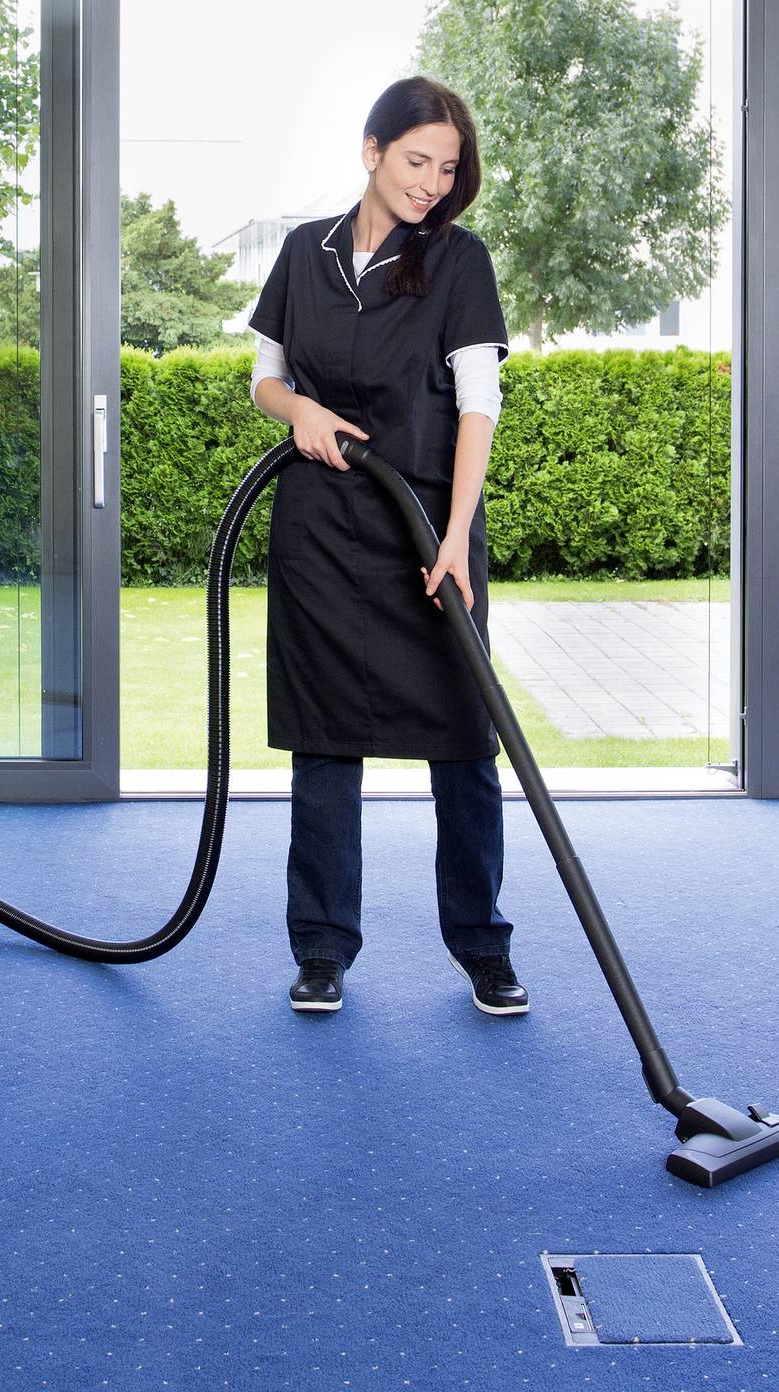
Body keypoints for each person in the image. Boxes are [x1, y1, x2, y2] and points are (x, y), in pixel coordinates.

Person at [244, 75, 524, 1019]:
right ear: (371, 151)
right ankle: (322, 948)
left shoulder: (458, 261)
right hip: (321, 531)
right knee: (325, 741)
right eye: (416, 161)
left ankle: (482, 945)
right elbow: (266, 382)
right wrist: (302, 412)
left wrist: (455, 538)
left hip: (428, 530)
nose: (432, 183)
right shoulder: (302, 251)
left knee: (462, 736)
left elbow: (478, 405)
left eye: (447, 169)